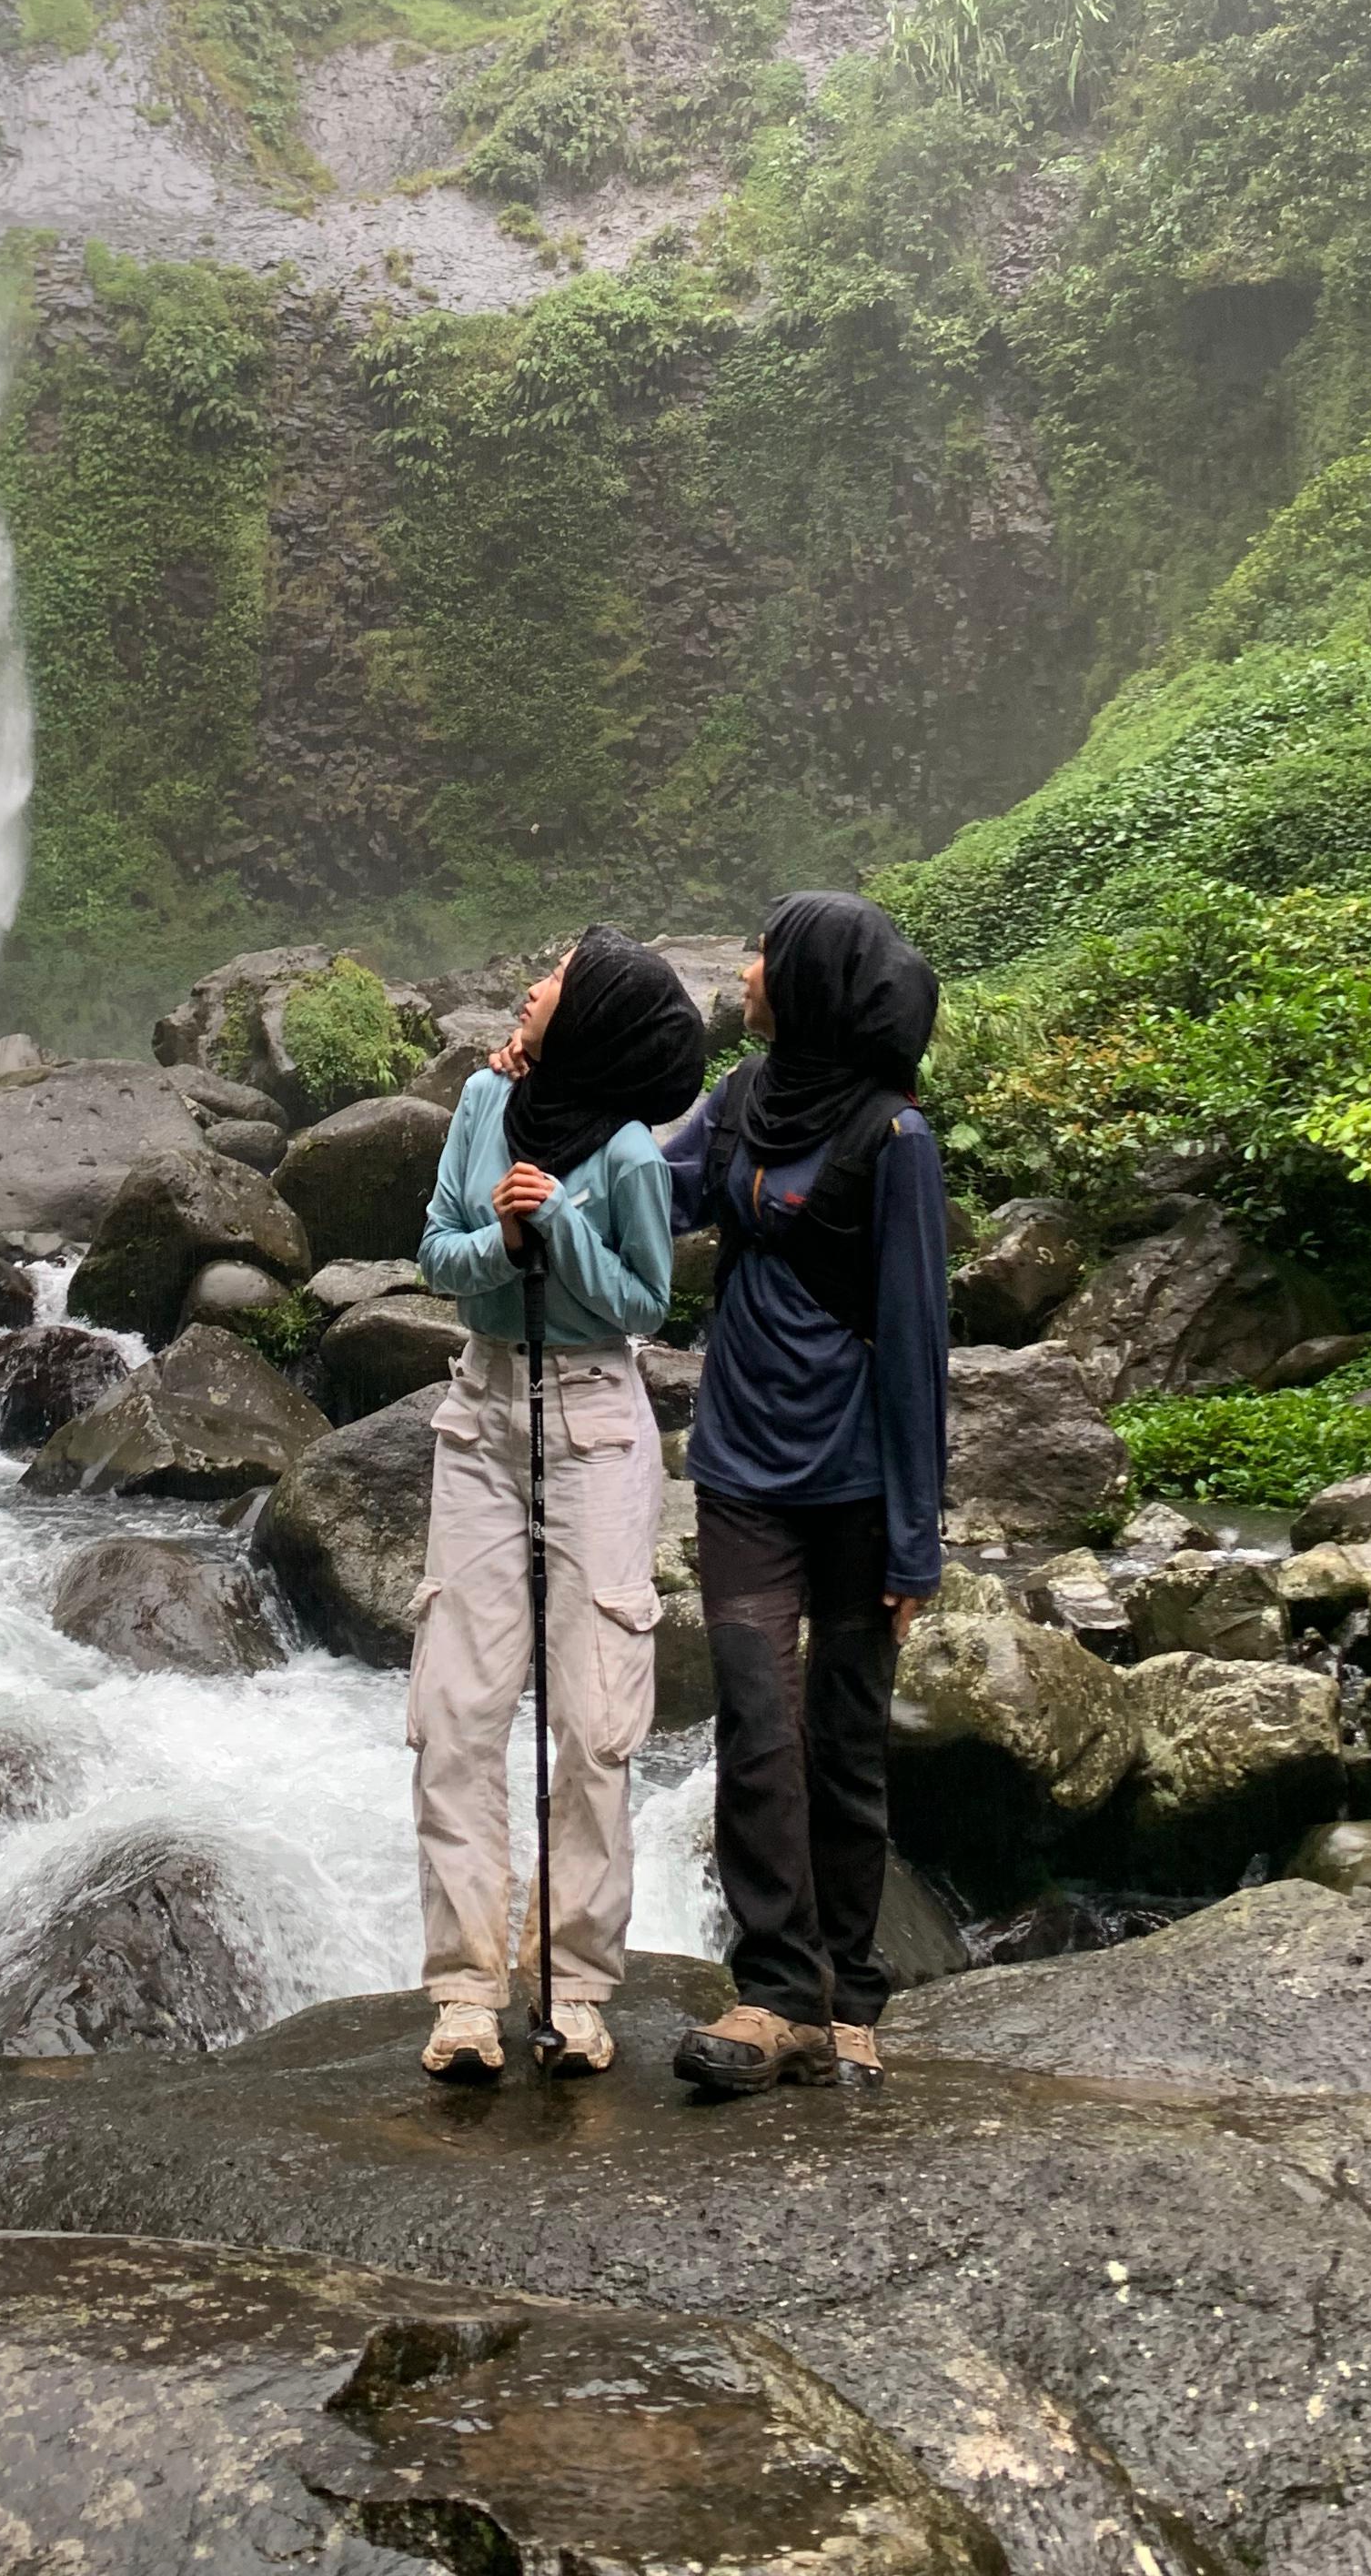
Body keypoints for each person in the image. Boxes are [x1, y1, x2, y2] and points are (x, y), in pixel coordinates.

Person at [657, 891, 949, 2096]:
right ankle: (775, 1991)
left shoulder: (895, 1142)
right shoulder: (735, 1107)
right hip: (739, 1471)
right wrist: (540, 1147)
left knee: (845, 1734)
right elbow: (653, 1194)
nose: (744, 970)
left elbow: (918, 1339)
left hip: (854, 1484)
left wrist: (915, 1544)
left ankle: (854, 1994)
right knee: (753, 1719)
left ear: (816, 980)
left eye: (764, 955)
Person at [409, 926, 708, 2082]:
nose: (532, 988)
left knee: (592, 1719)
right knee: (457, 1705)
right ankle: (467, 1992)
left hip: (594, 1424)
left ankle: (577, 1986)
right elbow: (439, 1253)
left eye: (558, 981)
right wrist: (506, 1237)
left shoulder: (631, 1153)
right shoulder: (483, 1102)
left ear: (587, 1024)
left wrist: (565, 1228)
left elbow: (643, 1297)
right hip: (481, 1417)